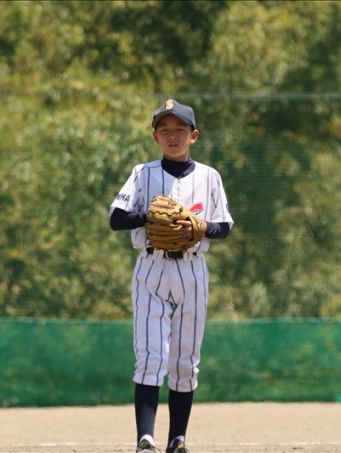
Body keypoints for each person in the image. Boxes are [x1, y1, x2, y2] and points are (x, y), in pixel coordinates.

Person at [109, 99, 234, 453]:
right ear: (155, 137)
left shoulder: (209, 176)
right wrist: (147, 217)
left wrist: (200, 227)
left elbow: (224, 226)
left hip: (192, 270)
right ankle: (145, 439)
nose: (173, 136)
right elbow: (116, 218)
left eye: (180, 129)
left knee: (185, 362)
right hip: (151, 268)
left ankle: (177, 439)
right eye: (165, 130)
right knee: (151, 357)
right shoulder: (142, 173)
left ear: (193, 135)